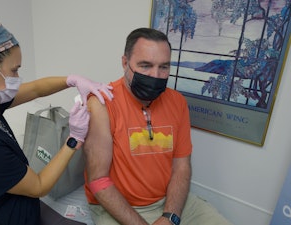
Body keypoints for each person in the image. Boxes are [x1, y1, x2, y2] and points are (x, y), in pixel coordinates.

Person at [0, 1, 113, 225]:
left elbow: (36, 89)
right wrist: (73, 139)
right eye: (14, 69)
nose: (18, 77)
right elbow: (38, 185)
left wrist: (72, 80)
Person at [83, 28, 232, 225]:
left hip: (168, 203)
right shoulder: (102, 103)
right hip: (118, 207)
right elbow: (99, 181)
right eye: (145, 65)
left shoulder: (177, 102)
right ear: (125, 63)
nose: (155, 75)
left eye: (164, 67)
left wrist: (170, 216)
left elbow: (181, 166)